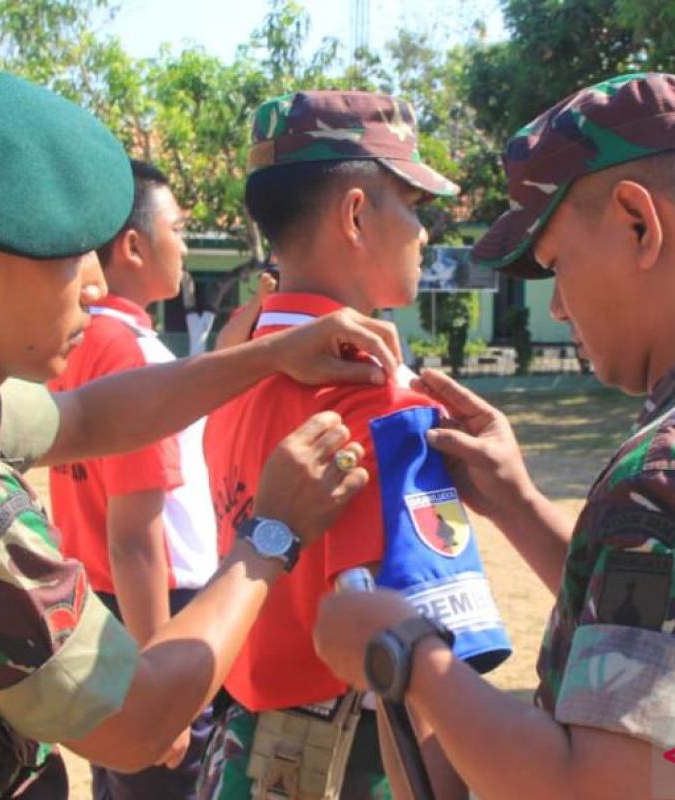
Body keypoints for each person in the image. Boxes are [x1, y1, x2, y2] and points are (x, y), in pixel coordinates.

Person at [312, 72, 675, 799]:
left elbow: (596, 789)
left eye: (557, 264)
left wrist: (406, 651)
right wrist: (521, 505)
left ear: (637, 223)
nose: (557, 306)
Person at [0, 68, 405, 799]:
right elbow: (135, 723)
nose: (94, 283)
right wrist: (271, 535)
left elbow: (88, 418)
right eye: (69, 255)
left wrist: (268, 353)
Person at [200, 89, 510, 800]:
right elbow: (415, 667)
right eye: (414, 206)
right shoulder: (383, 400)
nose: (424, 234)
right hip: (353, 767)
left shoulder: (231, 364)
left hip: (245, 748)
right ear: (357, 213)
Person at [47, 159, 220, 798]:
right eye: (178, 227)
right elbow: (136, 536)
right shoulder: (134, 355)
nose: (184, 244)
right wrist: (158, 694)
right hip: (156, 609)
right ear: (133, 245)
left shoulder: (72, 341)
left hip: (95, 603)